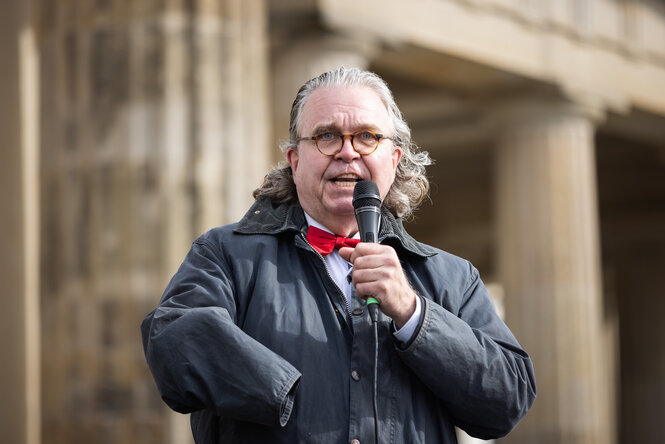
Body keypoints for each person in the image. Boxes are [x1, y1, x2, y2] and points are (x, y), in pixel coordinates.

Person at [141, 66, 536, 443]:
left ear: (394, 160)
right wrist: (283, 390)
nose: (347, 152)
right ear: (295, 162)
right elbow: (173, 335)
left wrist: (413, 313)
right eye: (327, 136)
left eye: (367, 136)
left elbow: (507, 400)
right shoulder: (226, 254)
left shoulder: (452, 276)